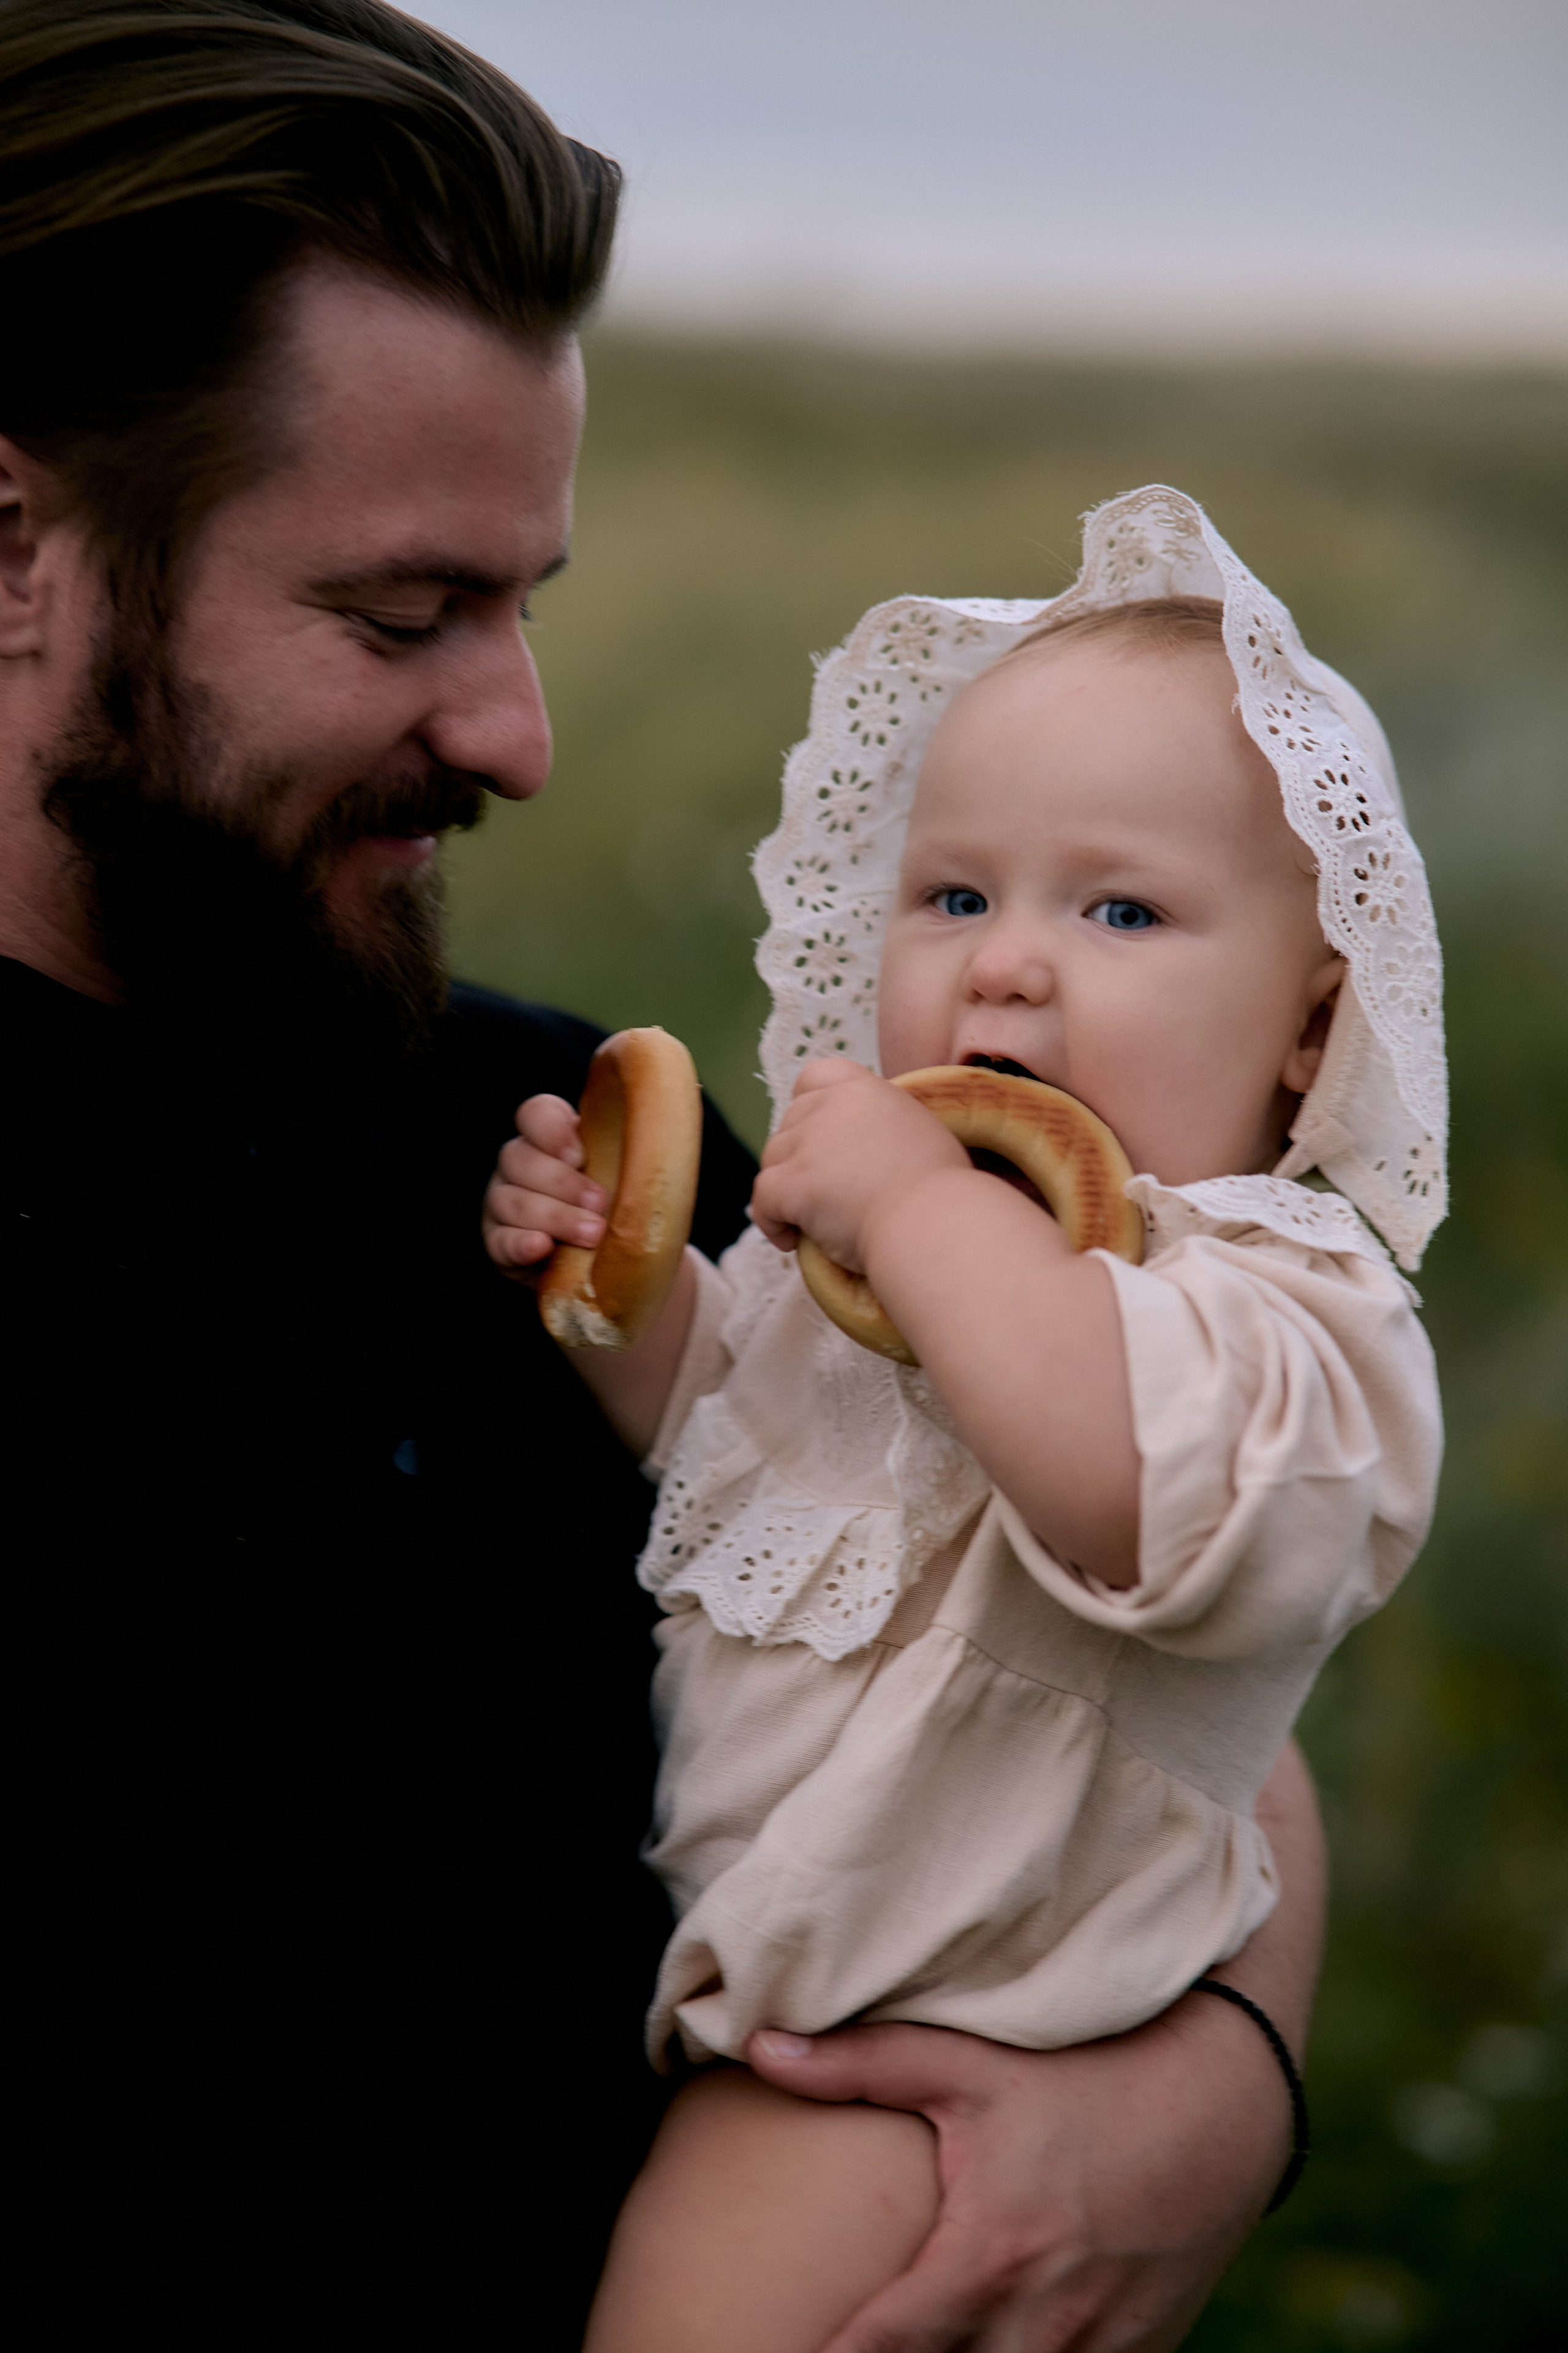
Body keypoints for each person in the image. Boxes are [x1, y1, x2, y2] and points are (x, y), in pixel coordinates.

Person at [1, 2, 1330, 2341]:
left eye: (524, 602)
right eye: (399, 615)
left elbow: (1159, 1661)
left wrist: (1210, 2093)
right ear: (15, 547)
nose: (514, 729)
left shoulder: (548, 1148)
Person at [483, 489, 1447, 2349]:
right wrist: (627, 1275)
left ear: (1311, 1033)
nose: (1006, 962)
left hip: (924, 2069)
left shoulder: (1283, 1310)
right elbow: (720, 1436)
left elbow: (1127, 1498)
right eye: (955, 894)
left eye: (1120, 907)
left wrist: (918, 1213)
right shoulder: (891, 1281)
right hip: (772, 2019)